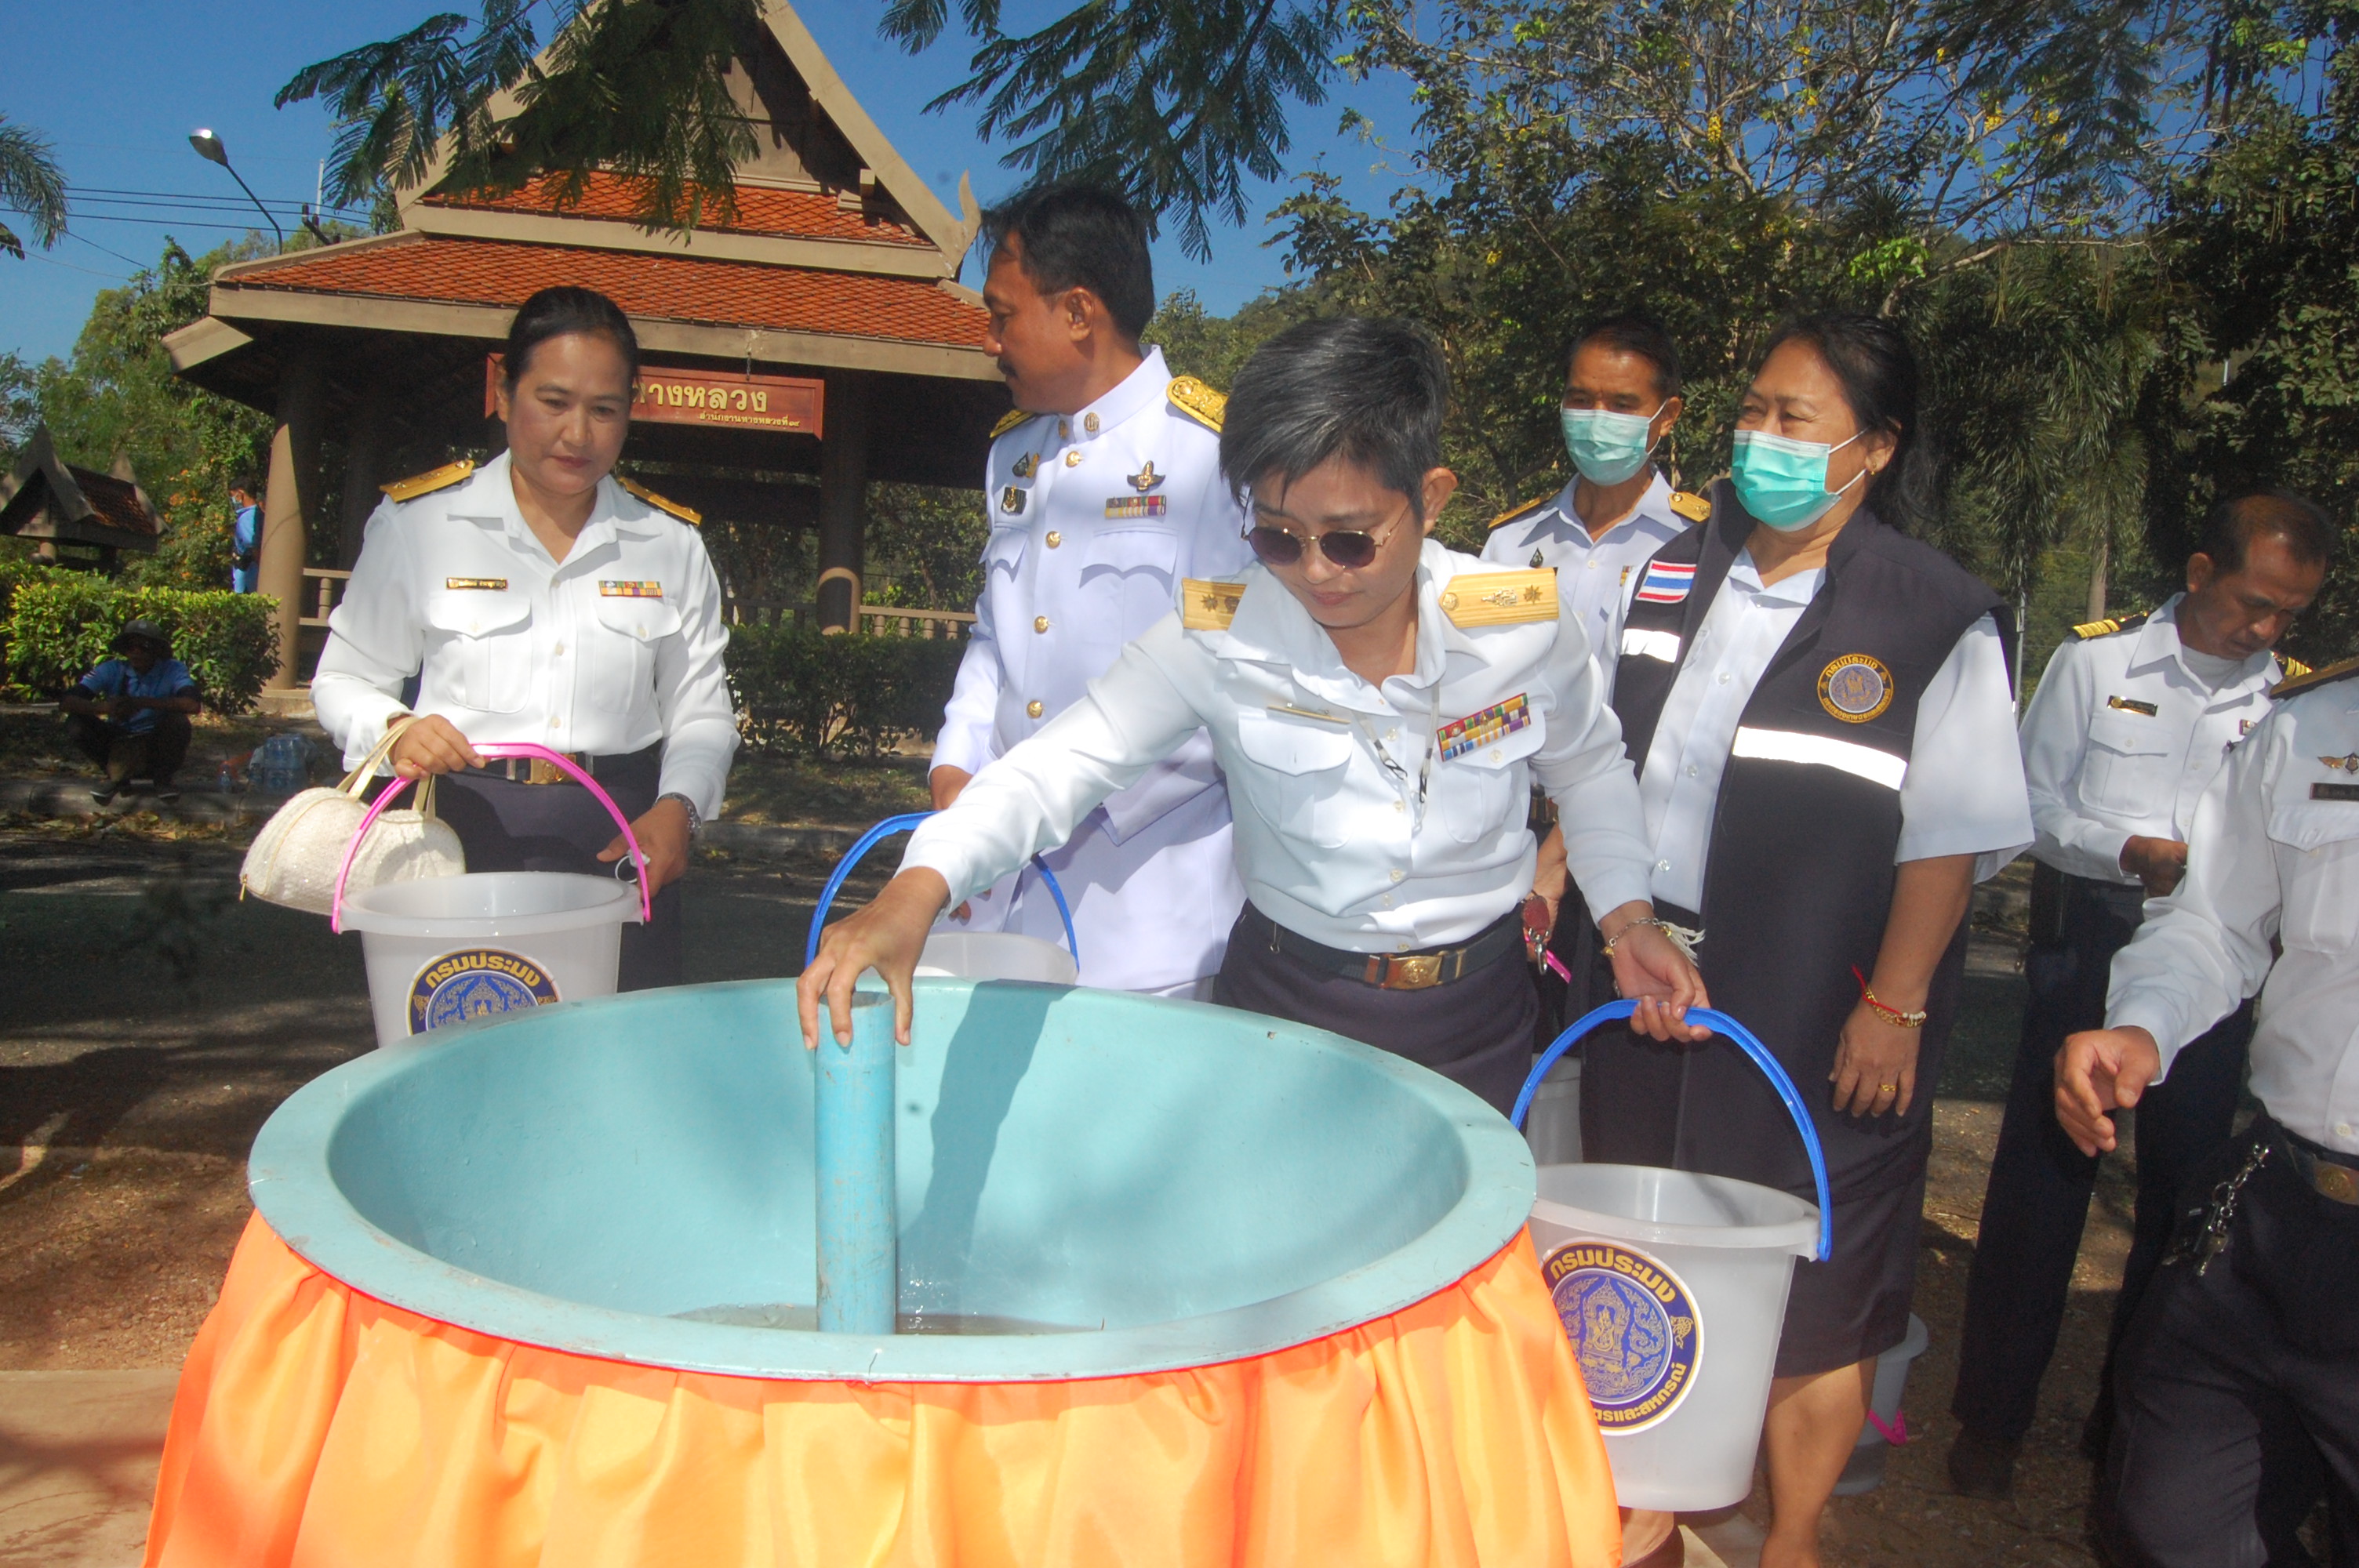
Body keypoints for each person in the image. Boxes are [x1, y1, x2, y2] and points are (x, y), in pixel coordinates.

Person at [801, 315, 1710, 1125]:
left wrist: (1626, 919)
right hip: (1288, 1007)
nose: (1314, 571)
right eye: (1277, 535)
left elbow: (1590, 768)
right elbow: (1057, 765)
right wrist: (916, 888)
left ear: (1430, 498)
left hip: (1474, 1019)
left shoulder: (1519, 622)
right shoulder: (1217, 633)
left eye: (1349, 539)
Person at [1570, 313, 2033, 1568]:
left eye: (1795, 420)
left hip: (1816, 1003)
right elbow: (1612, 759)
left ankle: (1794, 1534)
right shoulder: (1678, 567)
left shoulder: (1932, 613)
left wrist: (1895, 1006)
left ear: (1872, 449)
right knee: (1644, 1249)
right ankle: (1651, 1506)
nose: (1760, 437)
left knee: (1815, 1281)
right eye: (1753, 410)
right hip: (1647, 984)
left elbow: (1949, 840)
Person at [1946, 491, 2328, 1498]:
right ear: (2200, 571)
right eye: (2252, 601)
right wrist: (2124, 848)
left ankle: (2125, 1427)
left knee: (2180, 1201)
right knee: (2042, 1185)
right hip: (2091, 934)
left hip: (2214, 967)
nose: (2265, 629)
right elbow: (2026, 804)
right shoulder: (2097, 662)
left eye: (2288, 614)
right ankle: (1989, 1417)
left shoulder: (2292, 707)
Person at [311, 285, 736, 991]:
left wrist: (680, 809)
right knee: (463, 1035)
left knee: (617, 1042)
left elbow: (702, 710)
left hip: (622, 836)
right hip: (463, 831)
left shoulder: (669, 544)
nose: (578, 434)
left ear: (631, 410)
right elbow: (343, 678)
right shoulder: (419, 525)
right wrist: (394, 727)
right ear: (503, 393)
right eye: (554, 401)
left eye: (605, 410)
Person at [2055, 644, 2359, 1568]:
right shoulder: (2310, 727)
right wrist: (2142, 1025)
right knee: (2168, 1519)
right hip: (2279, 1210)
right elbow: (2212, 922)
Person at [929, 184, 1254, 996]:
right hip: (995, 887)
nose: (989, 339)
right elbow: (995, 639)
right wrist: (957, 762)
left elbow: (1230, 669)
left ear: (1078, 311)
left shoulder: (1212, 456)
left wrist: (1056, 797)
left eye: (1002, 315)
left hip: (1142, 906)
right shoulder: (1014, 456)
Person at [1488, 313, 1710, 1026]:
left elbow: (1668, 720)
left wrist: (1558, 858)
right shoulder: (1509, 543)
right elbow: (1481, 698)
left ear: (1666, 417)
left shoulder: (1698, 549)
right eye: (1581, 399)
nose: (1596, 420)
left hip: (1628, 852)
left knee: (1605, 1047)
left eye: (1622, 404)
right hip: (1508, 841)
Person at [60, 619, 201, 806]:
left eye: (144, 647)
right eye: (130, 647)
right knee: (76, 723)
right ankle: (116, 775)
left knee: (179, 723)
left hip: (154, 740)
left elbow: (192, 705)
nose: (136, 652)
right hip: (118, 738)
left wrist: (140, 703)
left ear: (156, 650)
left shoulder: (172, 669)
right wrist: (105, 708)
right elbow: (67, 701)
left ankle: (162, 777)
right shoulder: (111, 669)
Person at [229, 480, 261, 593]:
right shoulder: (259, 514)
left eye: (233, 496)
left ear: (240, 494)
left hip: (247, 578)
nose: (233, 501)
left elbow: (253, 547)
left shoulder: (247, 517)